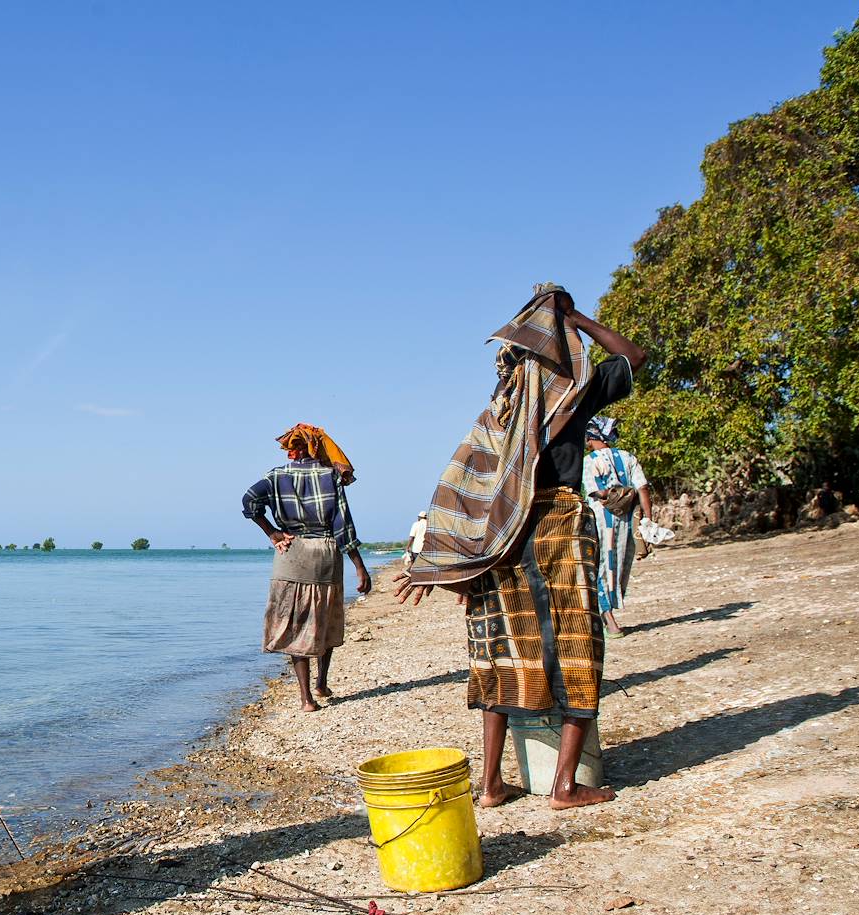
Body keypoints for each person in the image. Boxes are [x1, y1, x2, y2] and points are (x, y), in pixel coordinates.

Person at [395, 284, 646, 810]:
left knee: (499, 656)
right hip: (557, 528)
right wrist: (574, 317)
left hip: (503, 541)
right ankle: (563, 785)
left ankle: (490, 786)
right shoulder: (572, 397)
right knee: (578, 649)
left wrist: (437, 561)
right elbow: (633, 356)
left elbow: (463, 490)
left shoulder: (500, 415)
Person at [242, 423, 373, 710]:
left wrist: (272, 532)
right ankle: (321, 683)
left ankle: (306, 699)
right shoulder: (330, 476)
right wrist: (360, 567)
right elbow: (343, 525)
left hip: (291, 553)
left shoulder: (275, 476)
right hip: (325, 552)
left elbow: (249, 501)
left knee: (295, 623)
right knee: (324, 619)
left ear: (294, 449)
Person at [581, 418, 652, 637]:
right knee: (619, 566)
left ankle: (608, 618)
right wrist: (647, 519)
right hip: (628, 521)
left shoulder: (589, 462)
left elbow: (598, 493)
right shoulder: (628, 457)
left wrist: (612, 493)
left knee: (602, 566)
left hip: (602, 522)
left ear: (592, 438)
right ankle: (608, 615)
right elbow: (643, 488)